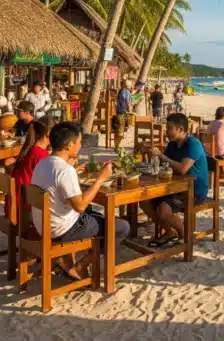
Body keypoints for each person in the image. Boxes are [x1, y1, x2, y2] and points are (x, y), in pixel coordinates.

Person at [30, 121, 128, 280]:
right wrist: (100, 179)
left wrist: (72, 167)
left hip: (44, 225)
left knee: (95, 214)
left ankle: (64, 261)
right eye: (79, 142)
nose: (80, 145)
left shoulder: (43, 163)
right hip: (62, 229)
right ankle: (80, 266)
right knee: (121, 227)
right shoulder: (64, 171)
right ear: (69, 145)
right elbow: (80, 206)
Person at [142, 113, 209, 248]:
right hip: (175, 186)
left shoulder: (193, 144)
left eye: (169, 128)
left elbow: (182, 169)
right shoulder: (173, 144)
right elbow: (164, 164)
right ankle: (169, 231)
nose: (166, 132)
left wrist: (161, 155)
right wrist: (152, 155)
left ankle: (184, 234)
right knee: (144, 202)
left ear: (180, 129)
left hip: (193, 189)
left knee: (163, 210)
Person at [6, 120, 52, 216]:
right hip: (25, 208)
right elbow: (52, 179)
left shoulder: (29, 149)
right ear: (48, 134)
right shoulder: (41, 154)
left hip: (14, 204)